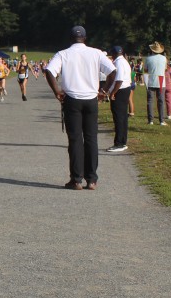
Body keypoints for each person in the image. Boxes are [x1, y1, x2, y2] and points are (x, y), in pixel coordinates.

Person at [45, 26, 118, 190]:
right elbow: (113, 72)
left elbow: (49, 71)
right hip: (91, 98)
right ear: (85, 38)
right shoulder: (96, 53)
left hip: (72, 99)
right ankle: (92, 179)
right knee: (91, 138)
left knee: (75, 139)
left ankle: (76, 179)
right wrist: (104, 90)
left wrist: (57, 91)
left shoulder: (63, 54)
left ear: (70, 39)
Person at [106, 46, 132, 152]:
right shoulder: (124, 61)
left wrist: (113, 92)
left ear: (113, 54)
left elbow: (119, 80)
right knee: (122, 117)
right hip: (124, 89)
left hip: (120, 90)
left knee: (119, 117)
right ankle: (122, 141)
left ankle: (119, 143)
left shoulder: (119, 63)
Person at [144, 41, 168, 125]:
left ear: (152, 50)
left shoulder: (148, 58)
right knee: (161, 101)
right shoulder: (164, 58)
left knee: (150, 101)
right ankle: (161, 120)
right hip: (161, 82)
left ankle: (150, 120)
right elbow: (165, 69)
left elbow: (145, 70)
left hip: (151, 81)